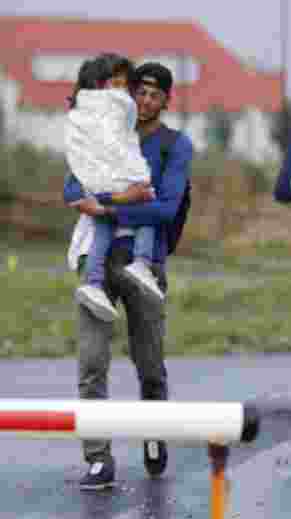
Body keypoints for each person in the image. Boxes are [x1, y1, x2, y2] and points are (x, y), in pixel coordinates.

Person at [64, 61, 194, 490]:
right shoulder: (105, 130)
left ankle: (153, 434)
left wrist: (108, 206)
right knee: (92, 362)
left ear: (166, 100)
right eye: (139, 91)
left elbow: (166, 207)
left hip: (145, 261)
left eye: (155, 94)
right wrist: (115, 199)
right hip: (95, 262)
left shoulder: (176, 145)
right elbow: (71, 190)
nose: (144, 100)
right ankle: (98, 458)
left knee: (149, 362)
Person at [65, 56, 163, 323]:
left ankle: (135, 267)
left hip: (127, 236)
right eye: (115, 84)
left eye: (125, 85)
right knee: (93, 356)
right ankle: (100, 279)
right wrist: (117, 200)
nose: (123, 91)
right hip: (100, 238)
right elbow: (73, 193)